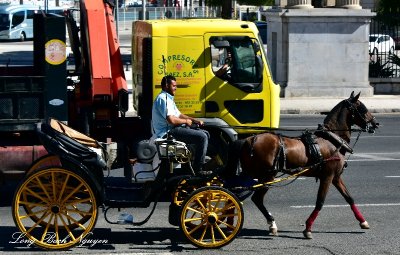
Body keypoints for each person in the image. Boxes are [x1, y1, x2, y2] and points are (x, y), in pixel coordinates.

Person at [152, 75, 211, 175]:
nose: (176, 88)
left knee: (206, 133)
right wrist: (186, 122)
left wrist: (194, 120)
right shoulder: (163, 99)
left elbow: (179, 115)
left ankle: (188, 166)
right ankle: (198, 169)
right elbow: (171, 120)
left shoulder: (168, 98)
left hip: (173, 129)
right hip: (167, 133)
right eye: (174, 86)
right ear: (166, 86)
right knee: (202, 137)